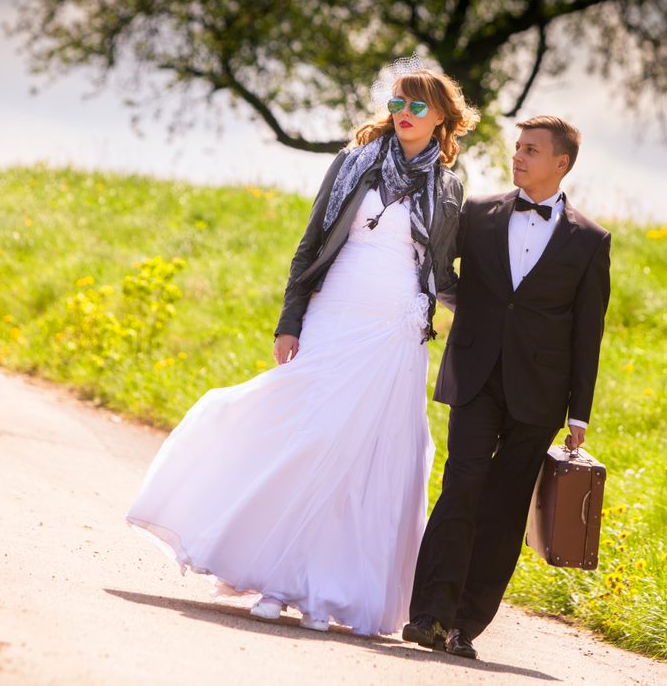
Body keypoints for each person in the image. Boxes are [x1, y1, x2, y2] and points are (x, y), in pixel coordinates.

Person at [125, 59, 478, 636]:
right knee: (308, 438)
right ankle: (273, 578)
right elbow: (310, 244)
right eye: (396, 103)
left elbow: (441, 271)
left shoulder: (449, 188)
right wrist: (288, 323)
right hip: (333, 316)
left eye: (417, 106)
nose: (405, 115)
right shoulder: (353, 163)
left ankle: (320, 591)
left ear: (442, 118)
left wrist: (498, 314)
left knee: (364, 459)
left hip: (394, 335)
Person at [403, 115, 612, 659]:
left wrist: (579, 413)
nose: (518, 157)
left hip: (540, 393)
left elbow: (589, 332)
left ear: (560, 163)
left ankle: (464, 627)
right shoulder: (477, 214)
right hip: (475, 375)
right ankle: (427, 614)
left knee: (504, 505)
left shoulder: (591, 241)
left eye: (532, 150)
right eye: (517, 148)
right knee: (462, 486)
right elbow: (438, 275)